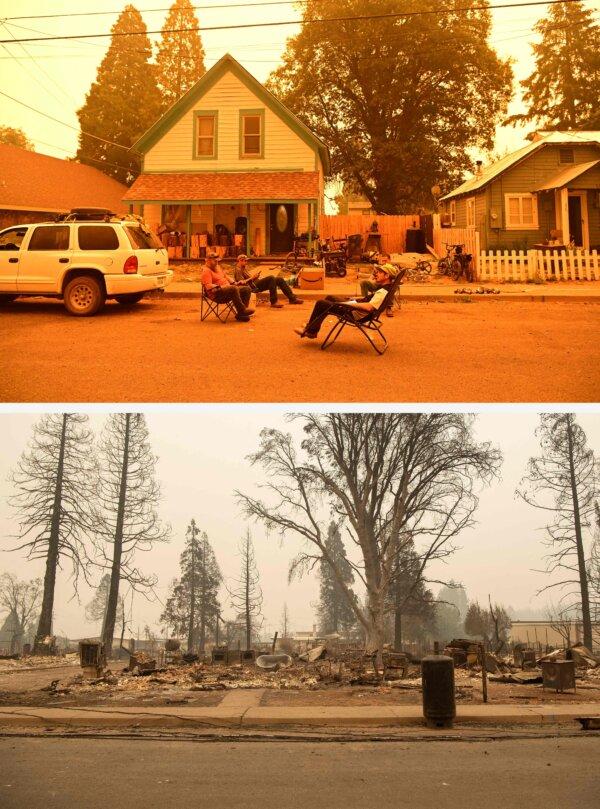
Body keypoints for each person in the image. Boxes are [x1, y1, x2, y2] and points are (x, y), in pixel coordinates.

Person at [294, 264, 398, 339]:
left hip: (355, 313)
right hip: (356, 308)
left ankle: (311, 330)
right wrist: (354, 300)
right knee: (330, 297)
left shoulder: (382, 291)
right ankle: (312, 326)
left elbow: (369, 307)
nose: (377, 274)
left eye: (380, 272)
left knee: (321, 303)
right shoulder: (386, 288)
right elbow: (369, 302)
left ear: (387, 276)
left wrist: (348, 304)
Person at [232, 254, 303, 308]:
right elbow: (241, 283)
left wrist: (255, 277)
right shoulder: (238, 270)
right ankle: (274, 301)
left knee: (279, 279)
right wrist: (252, 278)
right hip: (251, 288)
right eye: (245, 261)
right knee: (271, 278)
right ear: (240, 260)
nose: (247, 262)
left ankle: (292, 298)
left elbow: (248, 279)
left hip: (254, 283)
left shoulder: (243, 268)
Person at [200, 252, 254, 322]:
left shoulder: (217, 267)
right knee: (233, 288)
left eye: (217, 261)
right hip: (217, 294)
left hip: (228, 291)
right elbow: (208, 286)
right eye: (215, 261)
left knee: (246, 289)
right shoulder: (206, 271)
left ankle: (241, 314)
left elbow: (226, 276)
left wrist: (235, 283)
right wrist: (224, 286)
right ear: (208, 260)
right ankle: (242, 310)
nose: (217, 263)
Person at [360, 252, 395, 317]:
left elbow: (400, 279)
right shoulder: (379, 268)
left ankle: (389, 307)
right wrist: (375, 279)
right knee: (363, 282)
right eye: (383, 260)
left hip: (388, 286)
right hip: (377, 284)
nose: (384, 262)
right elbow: (371, 278)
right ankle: (365, 301)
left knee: (389, 287)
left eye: (386, 260)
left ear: (390, 260)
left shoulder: (392, 268)